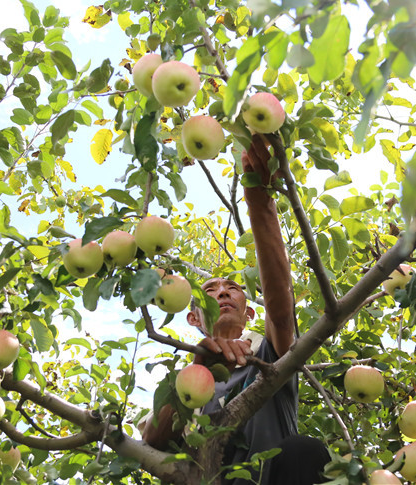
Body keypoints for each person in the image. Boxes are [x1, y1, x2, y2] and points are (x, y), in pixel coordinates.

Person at [142, 135, 331, 484]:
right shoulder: (181, 386)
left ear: (249, 314)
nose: (223, 292)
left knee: (304, 450)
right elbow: (151, 440)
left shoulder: (267, 350)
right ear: (193, 318)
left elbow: (279, 301)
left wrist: (259, 201)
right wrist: (198, 368)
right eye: (210, 290)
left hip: (277, 477)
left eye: (233, 288)